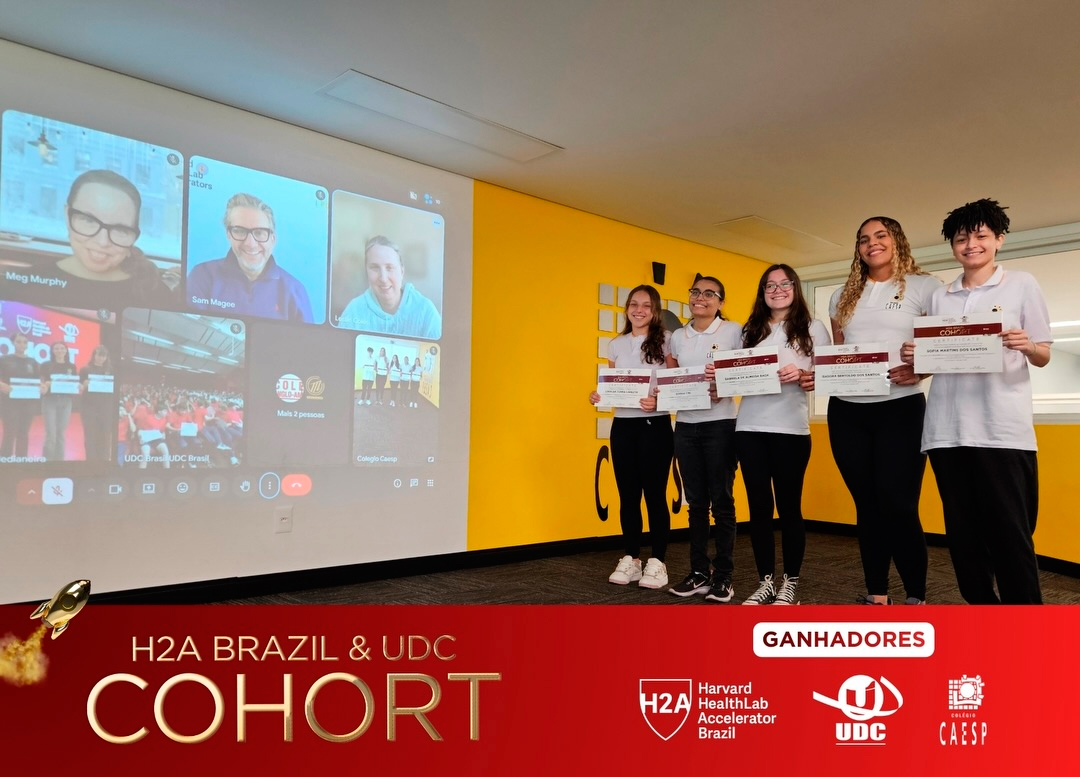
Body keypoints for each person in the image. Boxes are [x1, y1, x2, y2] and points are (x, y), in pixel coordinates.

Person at [902, 199, 1050, 604]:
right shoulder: (940, 296)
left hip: (1001, 429)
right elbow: (935, 363)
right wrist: (916, 357)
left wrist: (1028, 345)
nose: (971, 245)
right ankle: (982, 616)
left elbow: (1043, 354)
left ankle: (1028, 625)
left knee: (1011, 535)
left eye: (981, 236)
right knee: (963, 536)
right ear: (953, 246)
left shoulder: (1021, 284)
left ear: (999, 239)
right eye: (961, 238)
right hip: (946, 432)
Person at [825, 216, 941, 605]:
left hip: (901, 409)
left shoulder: (925, 287)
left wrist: (921, 369)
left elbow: (943, 347)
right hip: (847, 413)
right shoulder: (842, 295)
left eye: (880, 235)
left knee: (899, 504)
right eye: (863, 239)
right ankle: (877, 594)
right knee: (868, 505)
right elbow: (840, 353)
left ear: (897, 241)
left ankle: (915, 596)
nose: (871, 243)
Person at [737, 265, 831, 605]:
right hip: (749, 428)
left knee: (789, 508)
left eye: (784, 283)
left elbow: (826, 373)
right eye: (770, 285)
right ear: (762, 291)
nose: (777, 290)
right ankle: (765, 582)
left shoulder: (813, 327)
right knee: (759, 509)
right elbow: (735, 371)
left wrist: (805, 373)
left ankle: (789, 583)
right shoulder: (749, 329)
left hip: (790, 429)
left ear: (795, 287)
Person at [588, 284, 674, 589]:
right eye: (634, 304)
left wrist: (659, 400)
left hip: (655, 426)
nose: (639, 310)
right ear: (627, 309)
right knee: (628, 496)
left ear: (655, 311)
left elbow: (675, 384)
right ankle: (632, 558)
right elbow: (614, 384)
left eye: (646, 305)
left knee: (654, 495)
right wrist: (600, 394)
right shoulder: (616, 344)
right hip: (623, 427)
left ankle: (658, 562)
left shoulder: (667, 340)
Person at [664, 276, 743, 601]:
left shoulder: (733, 331)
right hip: (685, 426)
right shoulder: (678, 337)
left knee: (721, 503)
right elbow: (671, 376)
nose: (701, 297)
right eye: (696, 292)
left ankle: (723, 577)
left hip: (720, 425)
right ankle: (699, 573)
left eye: (710, 293)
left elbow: (745, 372)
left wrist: (723, 386)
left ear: (721, 302)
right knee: (695, 504)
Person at [45, 170, 171, 304]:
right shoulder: (34, 281)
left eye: (120, 230)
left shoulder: (156, 294)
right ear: (67, 215)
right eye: (89, 221)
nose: (103, 242)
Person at [188, 193, 314, 322]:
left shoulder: (295, 291)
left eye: (259, 233)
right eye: (240, 231)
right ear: (228, 235)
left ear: (273, 239)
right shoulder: (203, 276)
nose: (250, 244)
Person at [337, 236, 441, 339]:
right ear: (366, 272)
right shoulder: (354, 311)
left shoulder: (426, 312)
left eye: (389, 268)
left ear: (402, 272)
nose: (383, 278)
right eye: (375, 267)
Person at [0, 332, 40, 459]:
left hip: (28, 402)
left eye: (24, 342)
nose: (22, 344)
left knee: (23, 432)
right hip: (9, 402)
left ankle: (22, 460)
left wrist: (42, 386)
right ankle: (5, 460)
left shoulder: (32, 361)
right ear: (13, 343)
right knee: (9, 431)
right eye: (18, 341)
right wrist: (1, 384)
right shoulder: (4, 359)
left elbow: (38, 380)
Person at [40, 341, 78, 461]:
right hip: (50, 400)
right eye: (56, 348)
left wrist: (78, 386)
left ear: (66, 350)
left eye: (62, 348)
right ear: (52, 351)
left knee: (61, 432)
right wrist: (44, 385)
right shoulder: (46, 365)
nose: (59, 351)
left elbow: (74, 383)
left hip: (66, 401)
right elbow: (41, 382)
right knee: (51, 433)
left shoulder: (71, 366)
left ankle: (60, 461)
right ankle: (48, 461)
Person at [79, 344, 115, 461]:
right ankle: (91, 461)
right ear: (94, 355)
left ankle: (104, 460)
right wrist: (83, 385)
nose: (101, 358)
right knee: (90, 434)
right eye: (99, 355)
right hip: (89, 406)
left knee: (105, 434)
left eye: (103, 356)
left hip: (106, 407)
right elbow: (79, 387)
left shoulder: (111, 370)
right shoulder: (85, 370)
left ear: (106, 357)